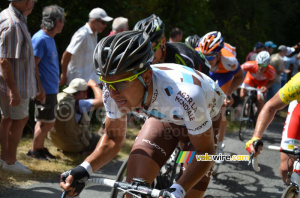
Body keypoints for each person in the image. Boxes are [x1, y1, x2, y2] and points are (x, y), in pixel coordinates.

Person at [60, 30, 225, 198]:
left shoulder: (187, 95)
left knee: (187, 192)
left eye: (121, 83)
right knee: (133, 191)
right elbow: (112, 138)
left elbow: (204, 151)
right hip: (165, 117)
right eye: (106, 83)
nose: (112, 92)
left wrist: (179, 189)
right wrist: (84, 168)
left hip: (203, 118)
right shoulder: (112, 90)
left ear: (146, 77)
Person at [0, 0, 38, 174]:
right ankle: (10, 161)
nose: (34, 3)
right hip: (15, 85)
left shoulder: (15, 17)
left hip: (14, 83)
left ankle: (4, 159)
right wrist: (13, 90)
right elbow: (4, 60)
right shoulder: (14, 24)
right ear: (25, 2)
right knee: (19, 119)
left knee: (7, 119)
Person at [195, 31, 244, 165]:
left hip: (225, 76)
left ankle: (219, 146)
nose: (206, 60)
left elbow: (240, 76)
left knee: (220, 108)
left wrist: (229, 94)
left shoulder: (229, 60)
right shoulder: (196, 52)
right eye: (203, 56)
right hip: (206, 73)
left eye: (210, 58)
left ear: (218, 54)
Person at [246, 72, 300, 185]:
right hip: (298, 112)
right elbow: (270, 107)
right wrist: (255, 137)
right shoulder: (297, 84)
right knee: (286, 169)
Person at [26, 5, 65, 161]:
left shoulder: (49, 38)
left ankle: (39, 148)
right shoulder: (40, 38)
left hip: (50, 87)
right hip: (44, 89)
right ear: (56, 21)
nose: (63, 24)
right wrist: (38, 88)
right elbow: (32, 64)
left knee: (44, 121)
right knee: (47, 123)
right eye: (63, 20)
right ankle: (34, 150)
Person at [133, 14, 210, 75]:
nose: (148, 57)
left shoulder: (183, 56)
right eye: (144, 51)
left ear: (163, 41)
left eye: (152, 50)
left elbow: (194, 87)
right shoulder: (151, 59)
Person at [60, 7, 113, 85]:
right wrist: (64, 75)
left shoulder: (94, 33)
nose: (105, 25)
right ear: (94, 21)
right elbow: (67, 54)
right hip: (77, 84)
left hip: (87, 82)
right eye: (103, 22)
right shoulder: (82, 34)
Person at [48, 78, 103, 153]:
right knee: (100, 139)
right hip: (74, 145)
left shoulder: (59, 97)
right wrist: (94, 86)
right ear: (81, 93)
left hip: (56, 142)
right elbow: (102, 101)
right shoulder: (80, 104)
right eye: (86, 92)